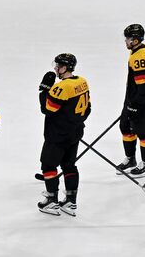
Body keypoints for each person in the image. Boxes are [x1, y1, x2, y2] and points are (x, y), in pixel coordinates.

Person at [37, 53, 91, 216]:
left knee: (48, 165)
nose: (55, 68)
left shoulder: (61, 88)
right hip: (74, 133)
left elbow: (47, 109)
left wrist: (44, 89)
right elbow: (88, 108)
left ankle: (52, 201)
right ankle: (70, 202)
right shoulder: (82, 82)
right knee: (69, 165)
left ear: (65, 67)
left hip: (57, 135)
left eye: (58, 66)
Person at [116, 24, 145, 177]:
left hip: (142, 102)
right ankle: (130, 159)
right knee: (125, 127)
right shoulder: (142, 49)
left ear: (135, 40)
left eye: (128, 39)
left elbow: (144, 89)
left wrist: (135, 106)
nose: (126, 41)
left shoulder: (139, 57)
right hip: (133, 99)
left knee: (143, 133)